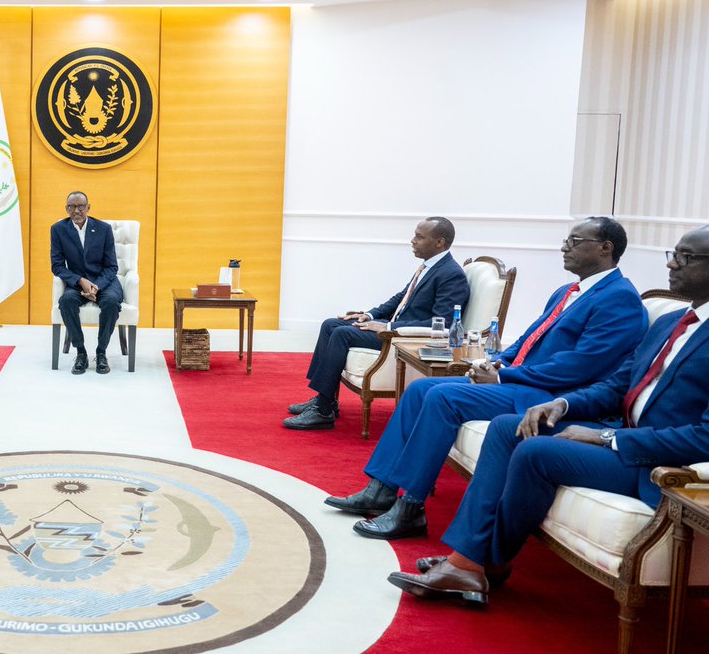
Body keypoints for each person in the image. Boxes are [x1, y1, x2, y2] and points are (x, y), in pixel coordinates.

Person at [388, 225, 709, 606]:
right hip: (623, 437)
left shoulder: (636, 307)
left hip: (659, 463)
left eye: (685, 258)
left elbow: (703, 437)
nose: (671, 264)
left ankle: (477, 562)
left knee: (534, 452)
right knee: (511, 428)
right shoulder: (671, 322)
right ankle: (470, 563)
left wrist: (609, 438)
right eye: (672, 254)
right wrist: (564, 406)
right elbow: (617, 385)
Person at [325, 217, 649, 539]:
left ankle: (411, 507)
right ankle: (381, 488)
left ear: (606, 248)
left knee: (443, 397)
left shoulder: (620, 298)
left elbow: (579, 366)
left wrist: (504, 376)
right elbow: (529, 339)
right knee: (420, 389)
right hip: (526, 381)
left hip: (549, 395)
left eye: (575, 241)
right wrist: (494, 361)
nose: (564, 247)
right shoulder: (568, 290)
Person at [285, 217, 470, 431]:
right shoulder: (430, 266)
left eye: (419, 237)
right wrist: (370, 315)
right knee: (330, 324)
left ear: (440, 242)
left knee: (342, 334)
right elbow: (401, 298)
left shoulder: (451, 274)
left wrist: (389, 328)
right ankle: (324, 399)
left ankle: (323, 411)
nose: (412, 241)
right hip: (395, 327)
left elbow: (443, 323)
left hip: (405, 338)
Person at [51, 191, 124, 375]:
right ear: (66, 209)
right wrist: (81, 281)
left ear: (88, 207)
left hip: (104, 281)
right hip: (77, 282)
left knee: (111, 302)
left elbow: (111, 266)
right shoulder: (58, 229)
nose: (77, 211)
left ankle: (101, 353)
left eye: (81, 206)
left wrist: (95, 286)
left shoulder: (103, 229)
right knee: (66, 302)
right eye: (72, 207)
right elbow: (57, 266)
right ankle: (81, 352)